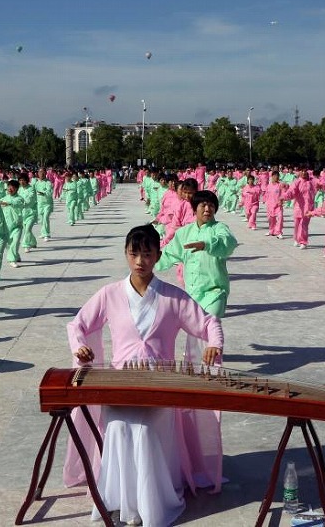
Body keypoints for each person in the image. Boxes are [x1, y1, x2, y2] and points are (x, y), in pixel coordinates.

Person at [65, 224, 224, 526]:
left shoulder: (173, 297)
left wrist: (214, 345)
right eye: (134, 254)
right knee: (118, 429)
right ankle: (117, 499)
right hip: (120, 383)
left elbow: (208, 323)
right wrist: (81, 347)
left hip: (160, 384)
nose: (140, 261)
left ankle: (151, 503)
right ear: (126, 255)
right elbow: (77, 325)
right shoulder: (110, 294)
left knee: (149, 429)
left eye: (147, 254)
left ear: (158, 256)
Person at [156, 190, 238, 318]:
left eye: (211, 206)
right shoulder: (184, 233)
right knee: (195, 332)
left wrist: (207, 245)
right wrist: (150, 260)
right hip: (192, 293)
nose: (207, 209)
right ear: (194, 210)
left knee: (210, 322)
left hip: (214, 292)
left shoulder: (220, 228)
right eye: (203, 205)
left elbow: (229, 242)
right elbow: (168, 253)